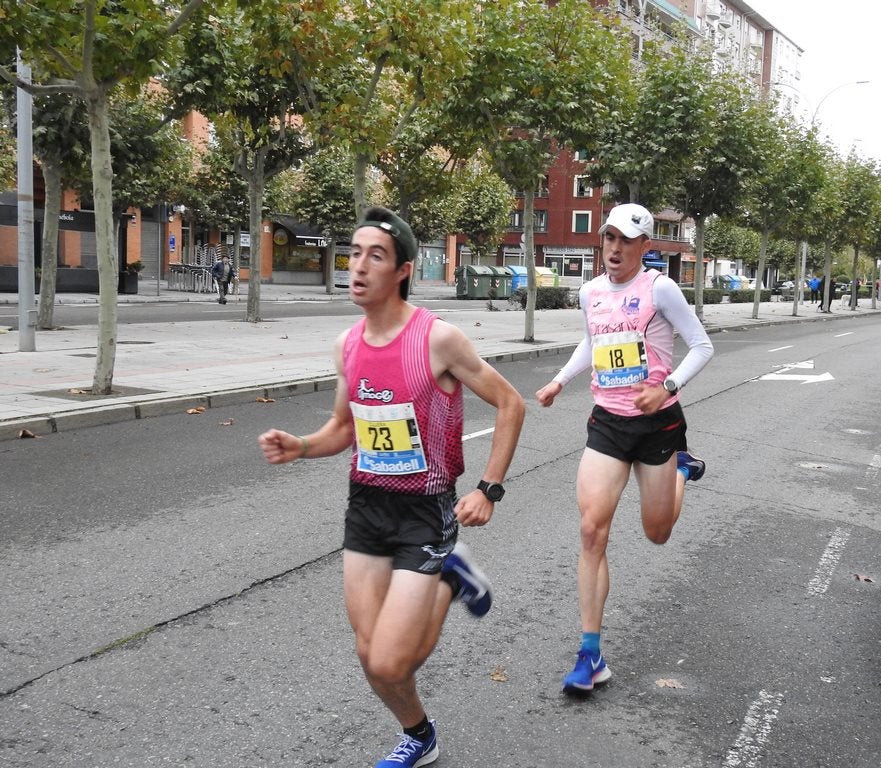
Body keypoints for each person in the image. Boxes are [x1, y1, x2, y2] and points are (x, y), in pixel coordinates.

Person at [258, 207, 525, 768]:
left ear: (402, 269)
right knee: (368, 649)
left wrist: (488, 488)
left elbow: (510, 403)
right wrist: (301, 445)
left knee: (388, 663)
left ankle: (450, 580)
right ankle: (420, 734)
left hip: (425, 510)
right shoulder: (347, 346)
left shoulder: (438, 339)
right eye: (354, 253)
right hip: (367, 505)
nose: (358, 266)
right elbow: (341, 429)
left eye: (374, 256)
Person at [535, 203, 714, 694]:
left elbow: (702, 346)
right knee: (592, 530)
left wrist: (668, 386)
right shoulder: (589, 291)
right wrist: (558, 381)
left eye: (625, 241)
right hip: (608, 424)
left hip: (657, 427)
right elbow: (591, 344)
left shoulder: (660, 289)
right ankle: (590, 653)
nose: (614, 249)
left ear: (644, 246)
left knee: (657, 534)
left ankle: (682, 470)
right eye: (608, 238)